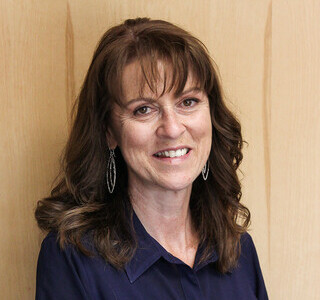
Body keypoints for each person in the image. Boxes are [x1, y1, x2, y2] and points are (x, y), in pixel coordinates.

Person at [35, 17, 268, 299]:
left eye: (188, 102)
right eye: (143, 109)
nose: (171, 128)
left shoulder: (238, 250)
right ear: (109, 131)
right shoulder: (73, 258)